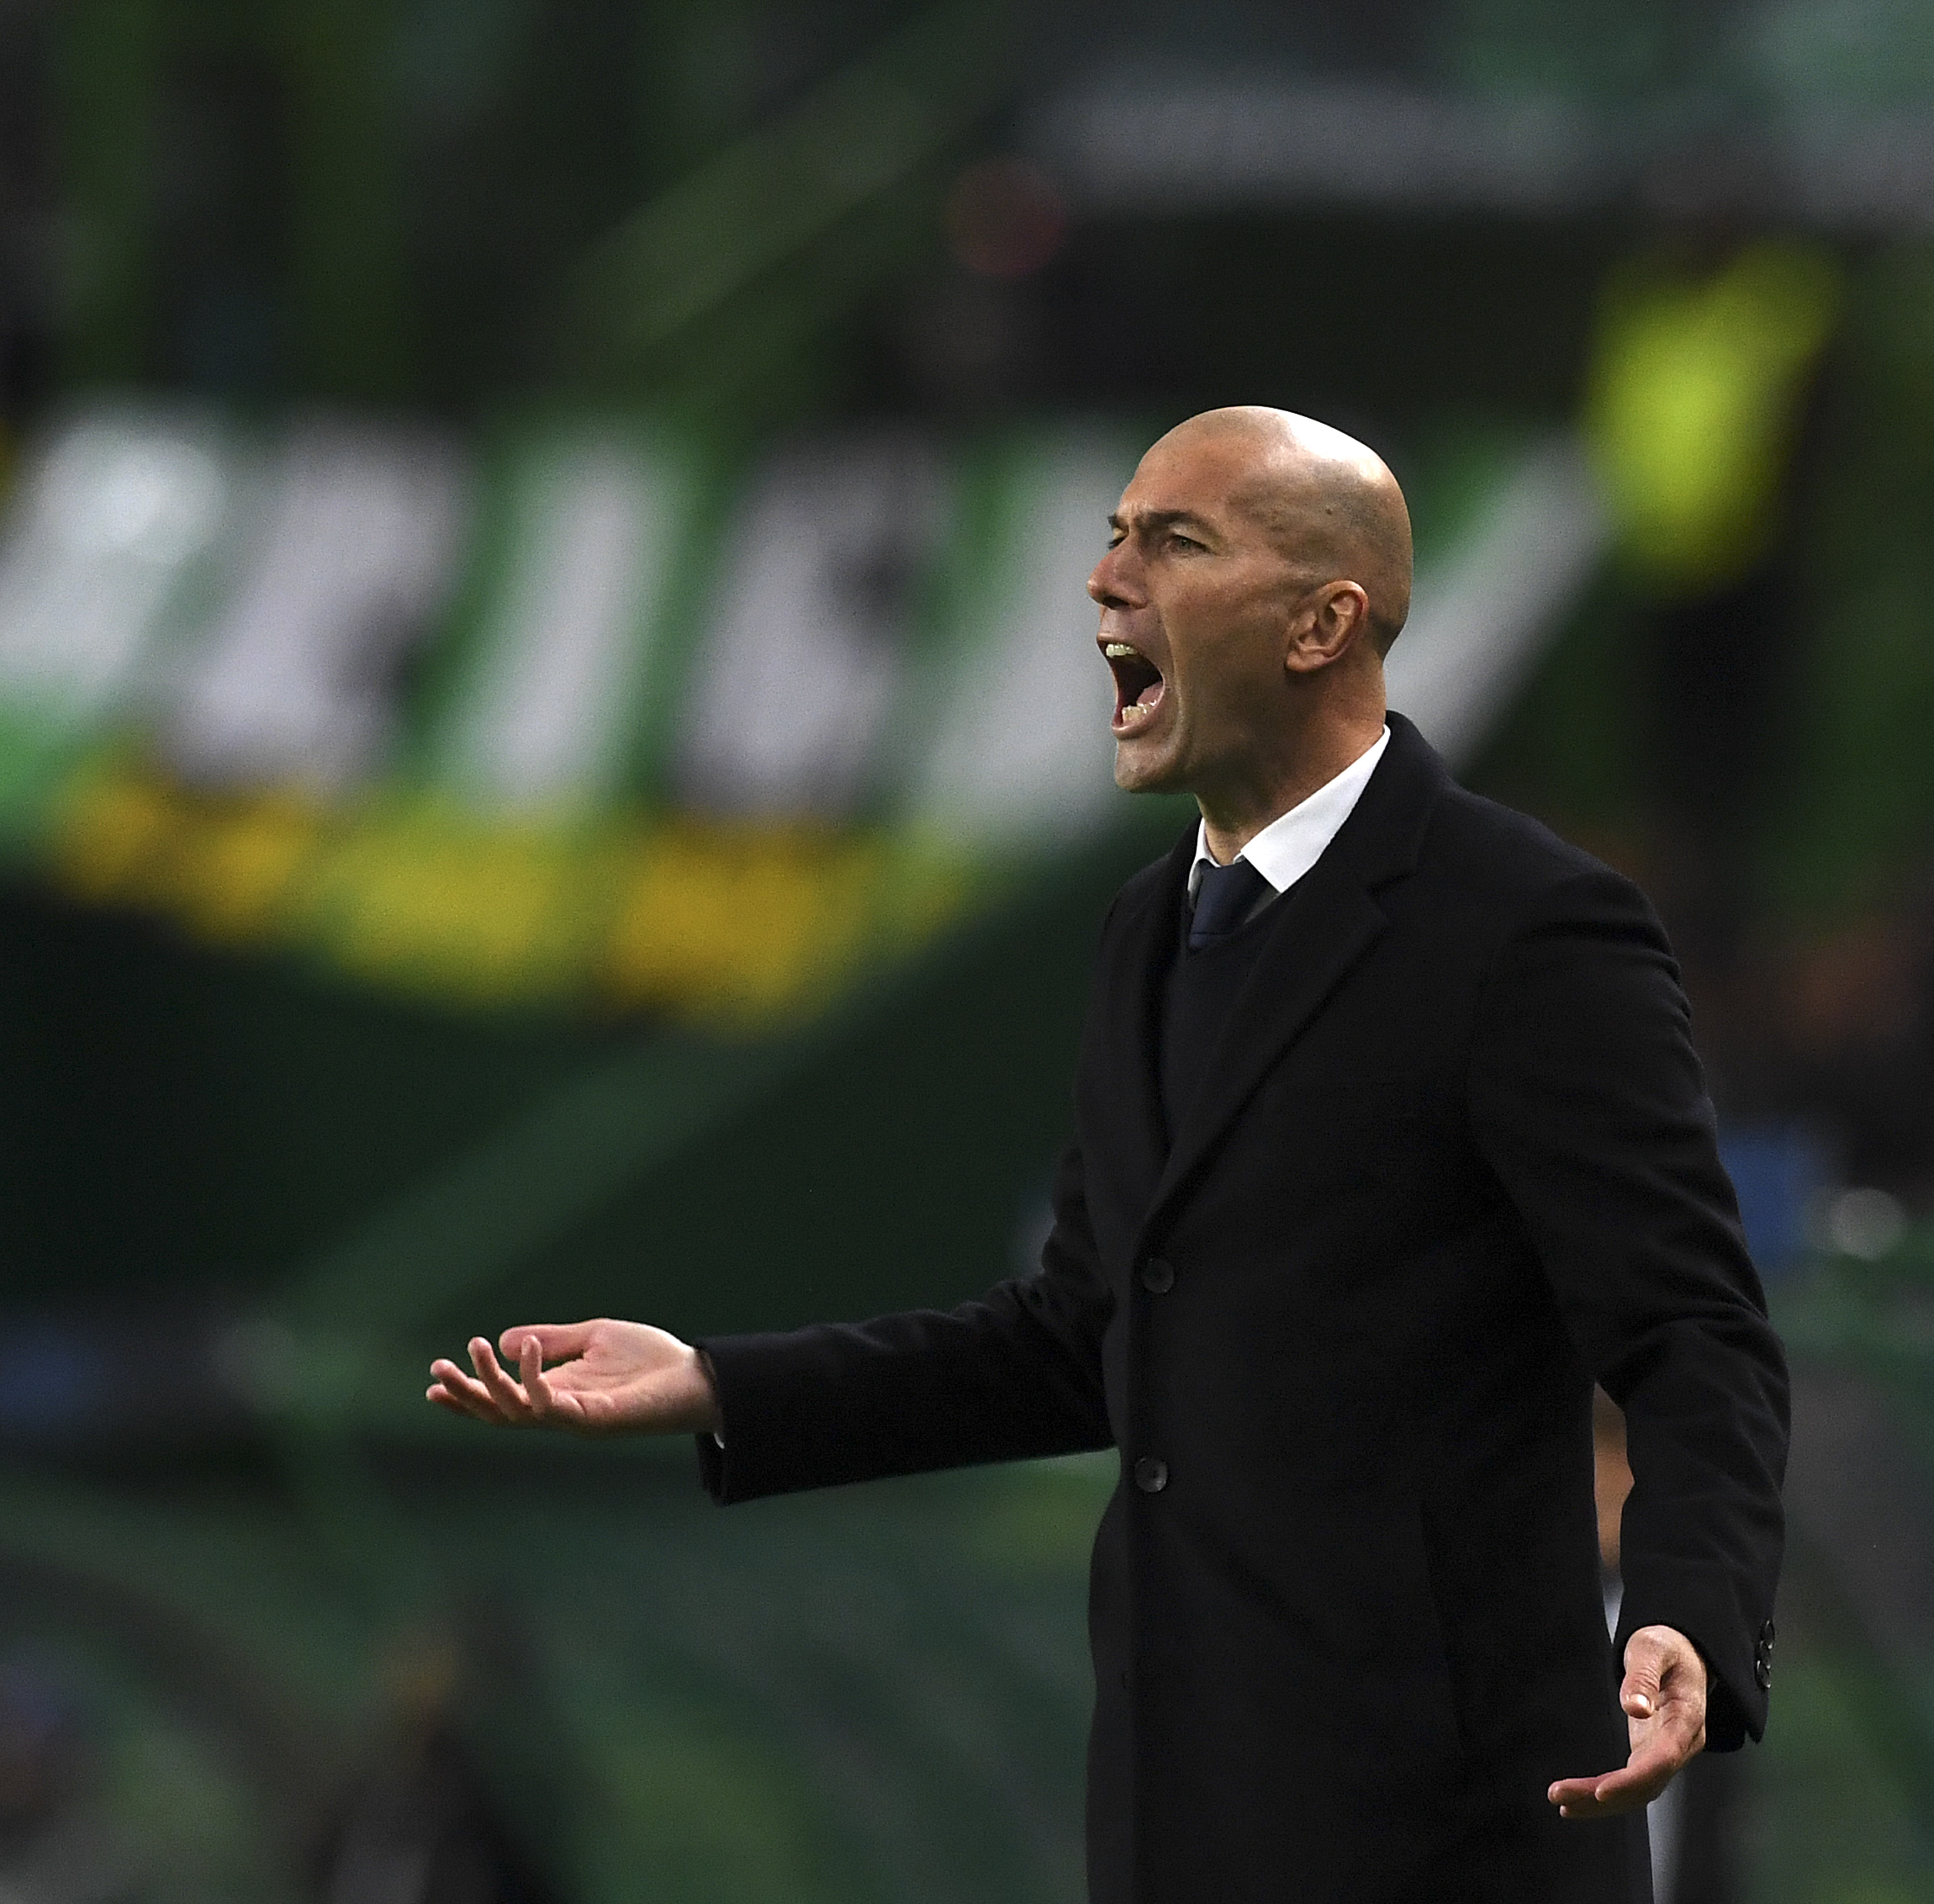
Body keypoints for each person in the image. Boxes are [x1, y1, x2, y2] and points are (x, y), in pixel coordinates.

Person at [427, 407, 1791, 1903]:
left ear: (1322, 621)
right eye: (1115, 531)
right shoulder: (1149, 935)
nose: (1104, 579)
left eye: (1175, 541)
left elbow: (1693, 1328)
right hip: (1179, 1824)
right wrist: (719, 1382)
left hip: (1446, 1838)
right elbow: (1082, 1336)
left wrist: (1685, 1615)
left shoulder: (1527, 929)